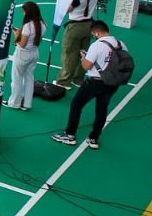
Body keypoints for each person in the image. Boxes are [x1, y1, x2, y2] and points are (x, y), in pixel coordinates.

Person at [52, 20, 126, 150]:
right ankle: (93, 138)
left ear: (97, 32)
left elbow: (86, 66)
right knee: (101, 110)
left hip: (95, 82)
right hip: (112, 82)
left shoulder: (97, 46)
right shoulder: (121, 44)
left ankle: (70, 135)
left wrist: (83, 58)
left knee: (76, 105)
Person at [53, 0, 99, 90]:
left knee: (69, 54)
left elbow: (67, 9)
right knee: (83, 53)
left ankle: (64, 81)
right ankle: (78, 79)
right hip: (89, 26)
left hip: (75, 26)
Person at [5, 1, 45, 110]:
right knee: (29, 79)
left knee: (17, 79)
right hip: (34, 52)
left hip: (23, 54)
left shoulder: (28, 26)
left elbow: (22, 44)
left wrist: (16, 36)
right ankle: (27, 104)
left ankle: (14, 103)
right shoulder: (42, 24)